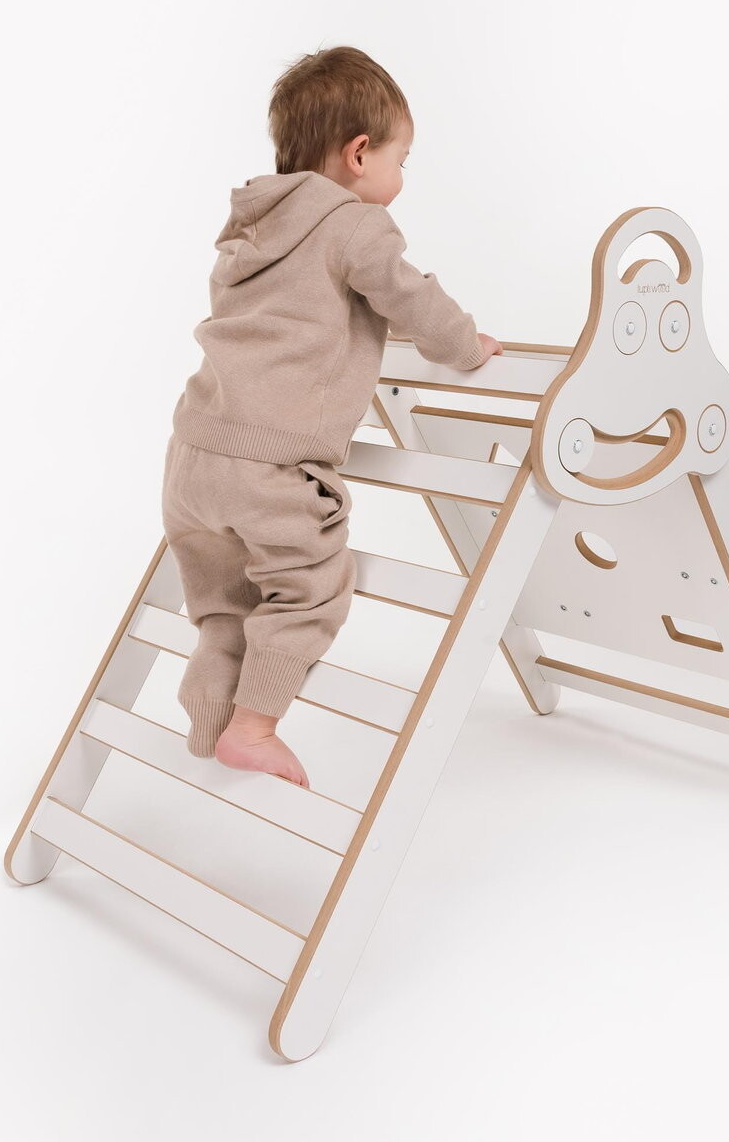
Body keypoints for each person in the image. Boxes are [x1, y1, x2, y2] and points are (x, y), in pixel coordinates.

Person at [161, 45, 503, 788]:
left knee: (225, 606)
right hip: (269, 461)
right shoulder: (353, 224)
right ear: (358, 154)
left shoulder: (250, 229)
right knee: (311, 586)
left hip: (192, 455)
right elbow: (407, 296)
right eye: (401, 159)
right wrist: (464, 344)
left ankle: (212, 714)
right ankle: (255, 726)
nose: (401, 177)